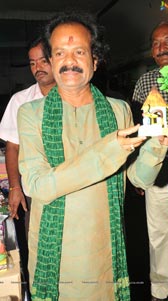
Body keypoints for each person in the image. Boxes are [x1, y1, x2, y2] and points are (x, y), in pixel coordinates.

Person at [16, 12, 168, 301]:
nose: (69, 60)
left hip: (104, 252)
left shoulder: (118, 109)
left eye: (79, 51)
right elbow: (37, 185)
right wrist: (108, 151)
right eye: (60, 53)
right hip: (57, 258)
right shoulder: (32, 113)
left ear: (95, 61)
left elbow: (136, 179)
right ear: (53, 61)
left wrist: (158, 145)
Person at [131, 21, 168, 301]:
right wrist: (140, 172)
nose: (161, 47)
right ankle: (159, 291)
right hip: (156, 169)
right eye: (155, 43)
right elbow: (139, 129)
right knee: (157, 235)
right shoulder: (145, 82)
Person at [0, 36, 56, 295]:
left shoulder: (75, 96)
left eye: (43, 60)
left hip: (72, 186)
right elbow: (13, 146)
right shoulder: (20, 100)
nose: (38, 67)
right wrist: (15, 187)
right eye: (33, 63)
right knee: (37, 246)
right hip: (34, 190)